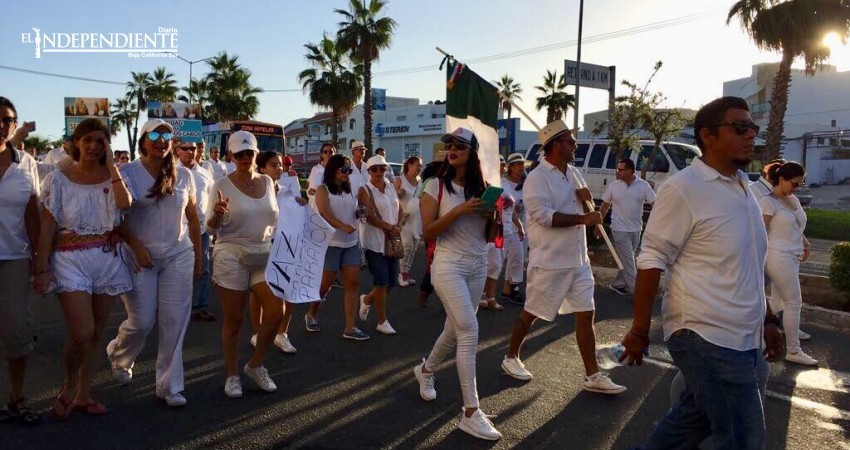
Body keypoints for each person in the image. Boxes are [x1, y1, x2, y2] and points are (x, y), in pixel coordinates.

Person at [620, 97, 783, 449]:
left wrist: (768, 320)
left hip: (745, 336)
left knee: (690, 423)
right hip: (706, 335)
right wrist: (638, 331)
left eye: (753, 128)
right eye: (740, 127)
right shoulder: (684, 188)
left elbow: (749, 264)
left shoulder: (743, 186)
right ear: (707, 136)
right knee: (744, 439)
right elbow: (651, 259)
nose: (751, 134)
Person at [499, 120, 626, 396]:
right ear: (555, 146)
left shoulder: (575, 173)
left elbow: (588, 209)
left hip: (578, 260)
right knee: (531, 314)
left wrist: (587, 198)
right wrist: (584, 217)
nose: (575, 145)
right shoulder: (537, 178)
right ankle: (511, 356)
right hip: (550, 262)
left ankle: (592, 375)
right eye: (570, 141)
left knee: (586, 314)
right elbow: (543, 217)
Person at [33, 117, 133, 418]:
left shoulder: (114, 176)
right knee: (82, 332)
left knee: (97, 332)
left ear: (107, 145)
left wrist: (113, 167)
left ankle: (83, 394)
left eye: (100, 141)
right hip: (69, 259)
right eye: (87, 139)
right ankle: (68, 386)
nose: (93, 146)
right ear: (76, 142)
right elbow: (47, 228)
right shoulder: (58, 179)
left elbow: (125, 205)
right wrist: (41, 269)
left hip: (107, 257)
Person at [106, 119, 202, 408]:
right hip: (139, 258)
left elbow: (193, 217)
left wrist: (198, 257)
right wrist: (136, 246)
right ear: (144, 141)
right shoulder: (127, 173)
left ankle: (169, 386)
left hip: (178, 255)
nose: (162, 140)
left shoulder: (184, 174)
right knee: (142, 321)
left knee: (174, 322)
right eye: (155, 135)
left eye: (167, 135)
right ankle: (119, 355)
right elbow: (116, 220)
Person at [413, 127, 501, 441]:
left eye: (460, 145)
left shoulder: (484, 188)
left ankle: (426, 370)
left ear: (472, 152)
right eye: (449, 143)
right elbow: (428, 232)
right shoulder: (434, 186)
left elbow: (488, 236)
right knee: (469, 329)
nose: (452, 148)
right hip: (447, 264)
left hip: (478, 264)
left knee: (454, 328)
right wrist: (461, 209)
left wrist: (494, 215)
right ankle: (470, 412)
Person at [207, 131, 282, 398]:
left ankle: (255, 365)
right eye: (239, 154)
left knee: (276, 313)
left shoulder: (268, 181)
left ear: (255, 153)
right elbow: (211, 227)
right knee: (235, 321)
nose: (244, 158)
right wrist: (217, 216)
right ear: (231, 155)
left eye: (249, 153)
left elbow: (275, 218)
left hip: (263, 253)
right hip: (231, 254)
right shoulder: (220, 185)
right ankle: (231, 375)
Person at [0, 97, 42, 425]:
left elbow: (32, 211)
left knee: (17, 331)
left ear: (15, 126)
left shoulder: (25, 162)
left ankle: (16, 397)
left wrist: (40, 259)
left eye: (8, 119)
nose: (2, 124)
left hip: (14, 256)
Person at [305, 154, 370, 340]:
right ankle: (311, 313)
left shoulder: (349, 189)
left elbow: (352, 209)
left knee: (353, 283)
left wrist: (359, 212)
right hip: (331, 244)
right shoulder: (323, 189)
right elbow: (324, 213)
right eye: (343, 169)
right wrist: (342, 225)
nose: (347, 173)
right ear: (333, 170)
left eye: (349, 170)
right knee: (325, 285)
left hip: (350, 243)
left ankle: (350, 327)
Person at [760, 161, 816, 365]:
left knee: (779, 302)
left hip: (793, 255)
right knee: (794, 302)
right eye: (794, 183)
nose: (796, 188)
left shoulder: (792, 199)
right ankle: (793, 350)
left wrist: (805, 243)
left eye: (800, 184)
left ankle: (781, 329)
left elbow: (797, 225)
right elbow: (761, 232)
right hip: (777, 256)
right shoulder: (768, 202)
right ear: (781, 179)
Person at [248, 151, 298, 353]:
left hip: (285, 245)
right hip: (262, 246)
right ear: (261, 169)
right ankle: (257, 332)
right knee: (259, 292)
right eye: (273, 165)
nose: (279, 168)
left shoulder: (287, 190)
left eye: (280, 165)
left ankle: (281, 334)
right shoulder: (254, 192)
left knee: (288, 291)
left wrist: (300, 205)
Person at [597, 158, 656, 295]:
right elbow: (605, 205)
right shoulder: (614, 186)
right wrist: (598, 224)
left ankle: (618, 284)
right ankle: (636, 291)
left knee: (628, 259)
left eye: (621, 169)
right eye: (618, 169)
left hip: (636, 229)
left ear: (630, 171)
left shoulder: (643, 185)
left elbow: (655, 204)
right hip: (619, 229)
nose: (618, 172)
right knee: (629, 259)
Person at [358, 155, 402, 335]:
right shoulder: (365, 190)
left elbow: (401, 209)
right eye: (374, 169)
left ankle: (367, 299)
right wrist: (390, 227)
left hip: (391, 241)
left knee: (392, 282)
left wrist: (398, 226)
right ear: (368, 171)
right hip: (374, 243)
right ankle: (382, 321)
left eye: (382, 169)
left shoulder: (390, 187)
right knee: (382, 282)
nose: (378, 172)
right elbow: (367, 216)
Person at [173, 138, 216, 323]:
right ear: (177, 151)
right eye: (186, 148)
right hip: (178, 231)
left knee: (203, 269)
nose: (191, 151)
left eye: (193, 148)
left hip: (201, 230)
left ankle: (199, 307)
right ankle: (176, 308)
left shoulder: (205, 173)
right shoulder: (170, 172)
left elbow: (212, 199)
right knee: (177, 271)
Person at [500, 152, 527, 304]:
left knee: (518, 258)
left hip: (522, 227)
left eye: (522, 166)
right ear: (510, 168)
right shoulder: (503, 185)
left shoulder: (526, 184)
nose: (520, 169)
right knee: (506, 260)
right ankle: (507, 289)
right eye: (517, 166)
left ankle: (510, 289)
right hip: (506, 228)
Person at [415, 160, 443, 308]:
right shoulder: (433, 183)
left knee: (435, 265)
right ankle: (424, 293)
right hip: (434, 231)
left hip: (438, 230)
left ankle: (426, 293)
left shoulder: (431, 182)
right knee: (433, 265)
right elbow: (423, 205)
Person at [394, 156, 422, 287]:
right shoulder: (400, 180)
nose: (420, 168)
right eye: (418, 165)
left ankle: (406, 273)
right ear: (409, 165)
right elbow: (391, 199)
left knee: (413, 247)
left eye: (421, 166)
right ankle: (401, 274)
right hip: (403, 219)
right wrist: (399, 193)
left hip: (416, 219)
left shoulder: (420, 181)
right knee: (407, 245)